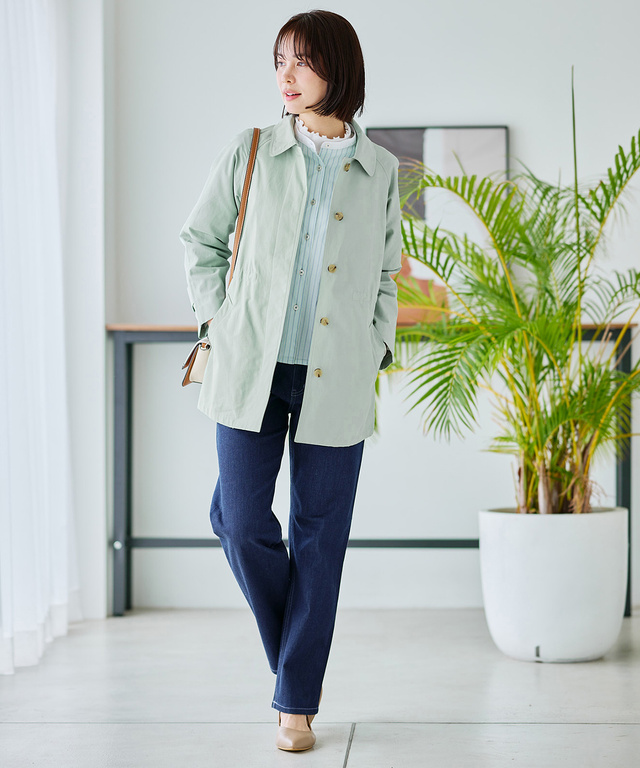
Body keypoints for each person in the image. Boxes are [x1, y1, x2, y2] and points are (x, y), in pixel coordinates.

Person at [179, 9, 402, 753]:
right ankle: (295, 665)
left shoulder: (380, 170)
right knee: (240, 521)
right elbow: (201, 240)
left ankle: (295, 704)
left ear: (340, 68)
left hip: (336, 378)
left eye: (302, 60)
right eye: (280, 60)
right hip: (250, 367)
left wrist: (375, 345)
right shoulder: (250, 150)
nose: (287, 74)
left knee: (320, 539)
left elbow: (385, 275)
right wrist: (218, 321)